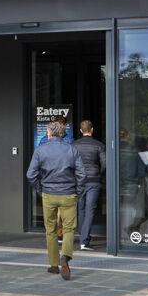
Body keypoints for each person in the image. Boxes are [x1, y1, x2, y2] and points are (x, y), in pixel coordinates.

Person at [26, 117, 85, 280]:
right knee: (69, 229)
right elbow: (82, 174)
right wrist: (78, 191)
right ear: (62, 133)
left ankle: (53, 264)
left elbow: (31, 175)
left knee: (50, 230)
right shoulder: (72, 149)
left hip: (49, 194)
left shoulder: (40, 150)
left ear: (49, 133)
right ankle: (65, 256)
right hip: (68, 194)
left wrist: (40, 189)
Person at [73, 119, 106, 251]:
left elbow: (71, 163)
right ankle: (84, 241)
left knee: (81, 210)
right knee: (90, 210)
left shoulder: (74, 145)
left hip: (79, 181)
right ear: (92, 130)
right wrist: (99, 174)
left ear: (81, 130)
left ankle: (83, 238)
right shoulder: (99, 145)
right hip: (93, 181)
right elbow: (104, 164)